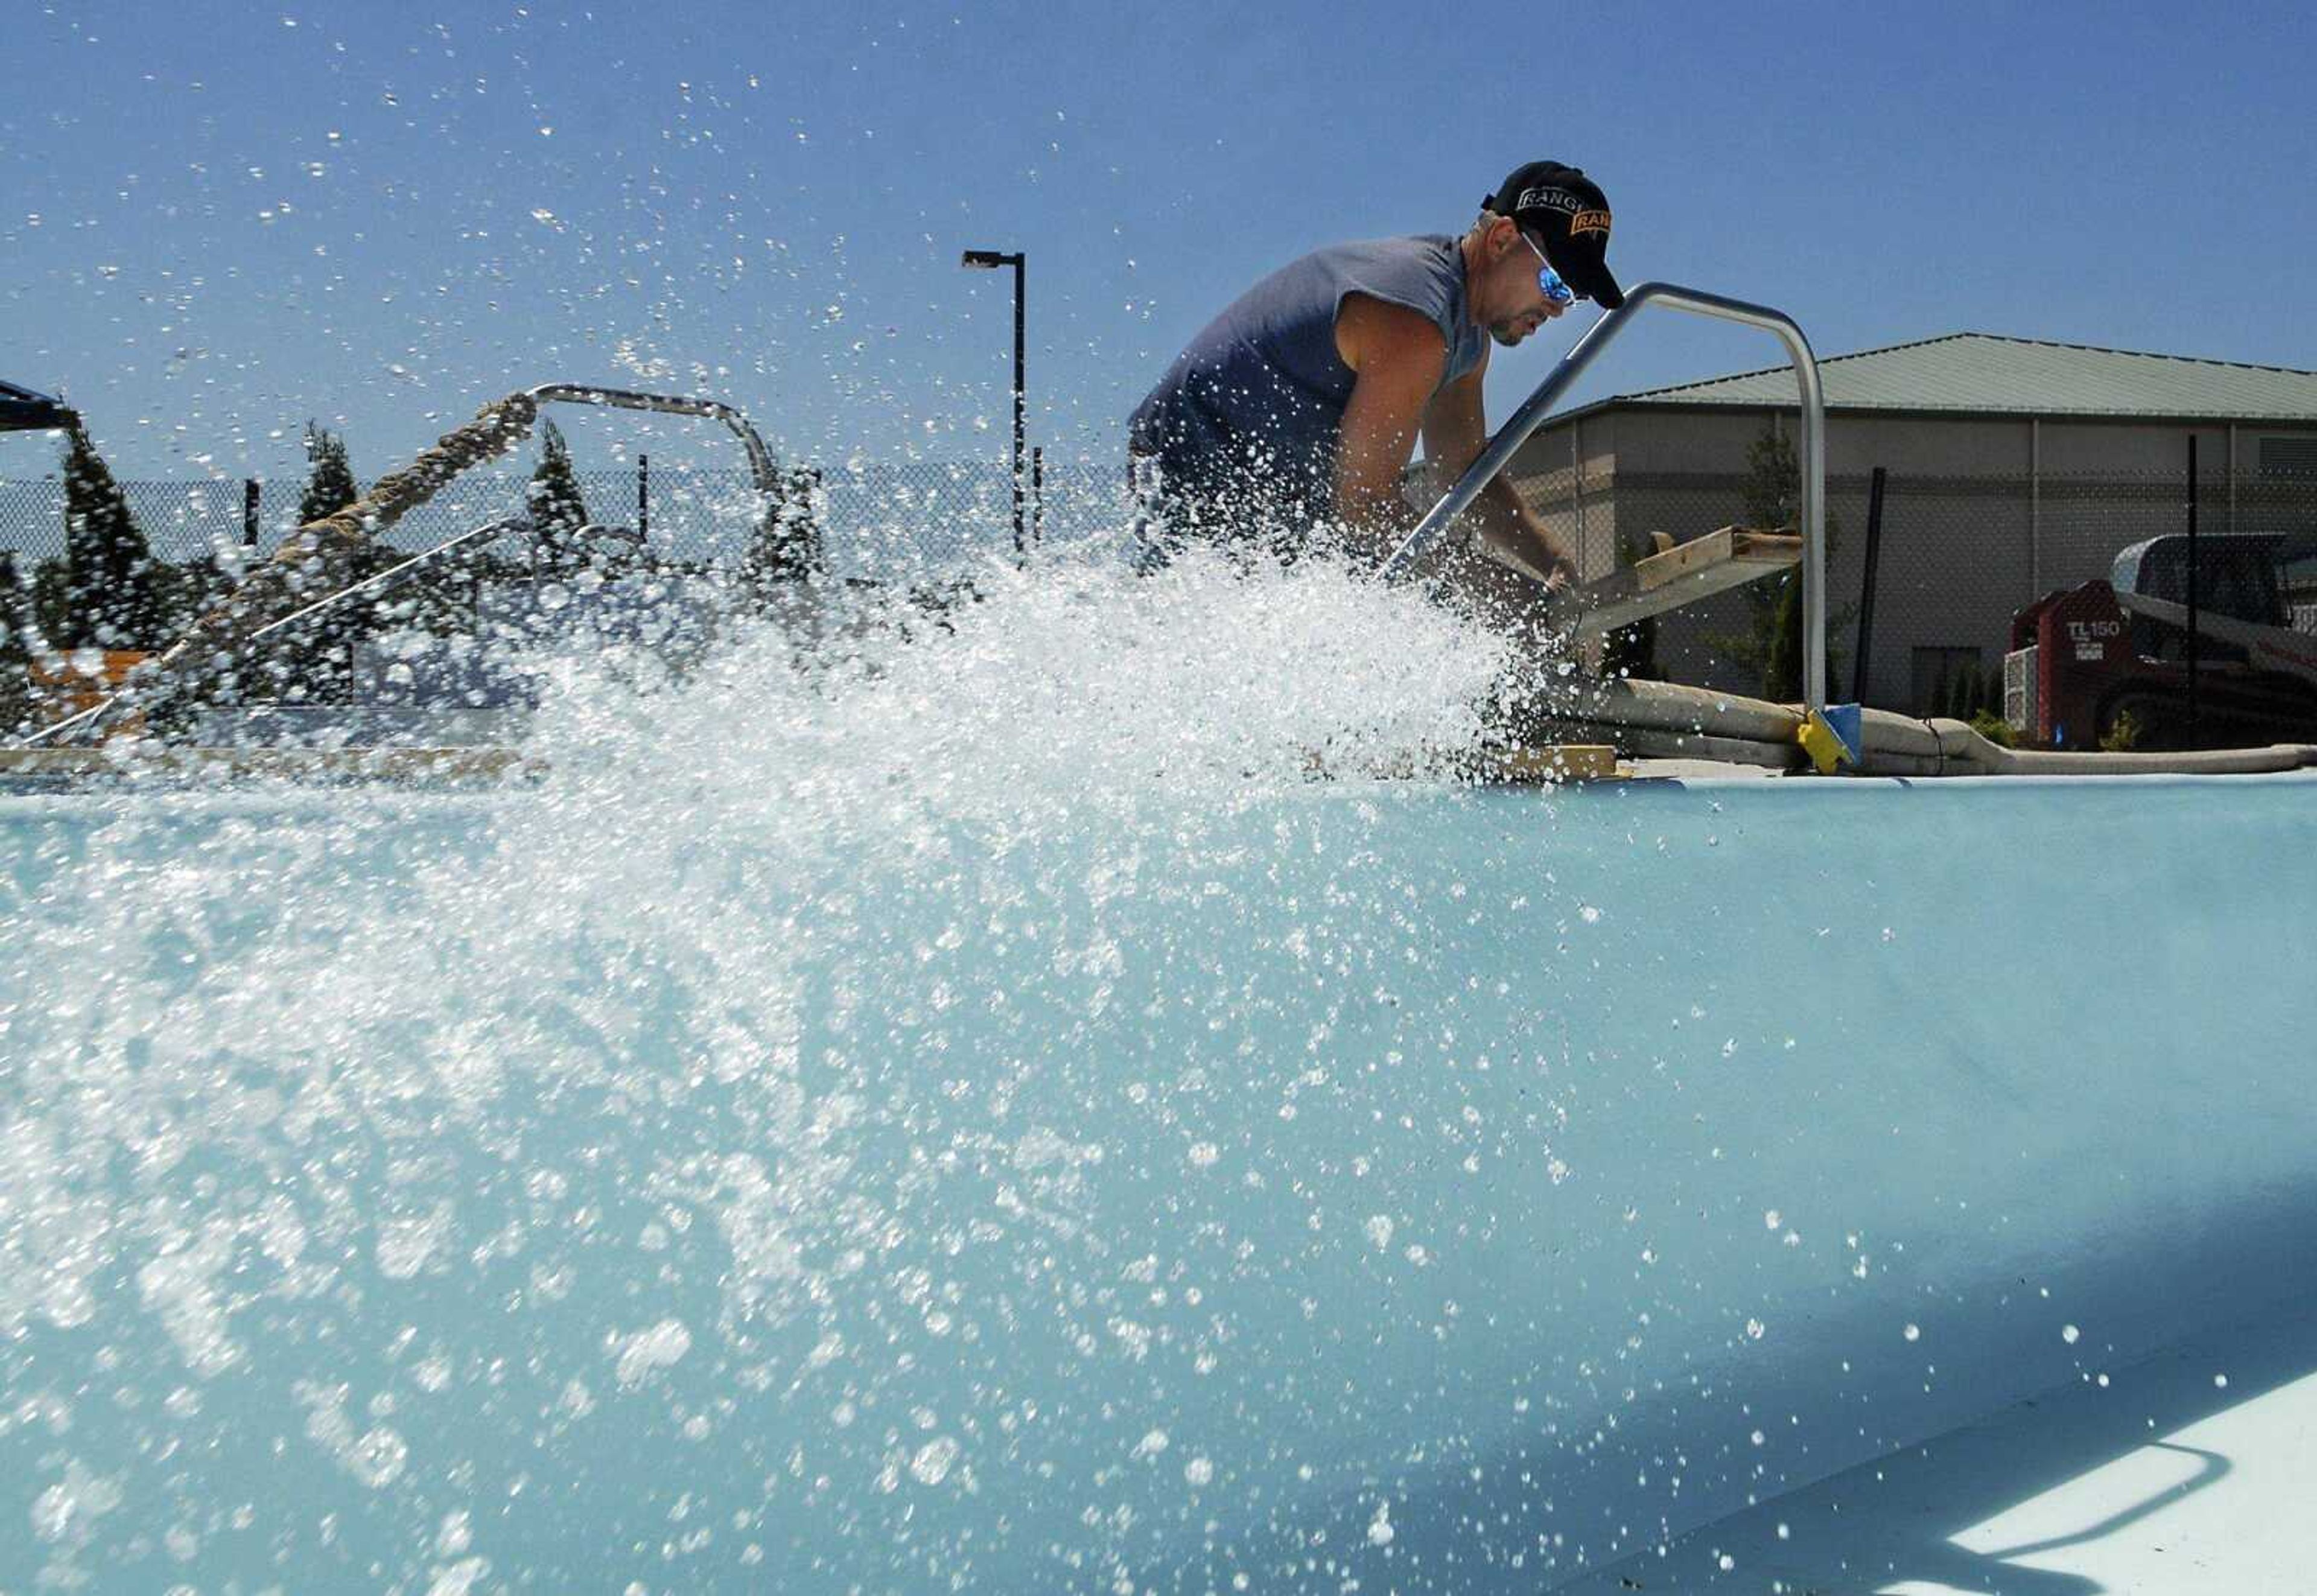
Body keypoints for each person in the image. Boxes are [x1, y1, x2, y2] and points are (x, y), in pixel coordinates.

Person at [1127, 161, 1623, 609]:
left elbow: (1462, 473)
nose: (1559, 308)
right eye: (1557, 285)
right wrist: (1504, 593)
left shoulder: (1466, 335)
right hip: (1191, 456)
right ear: (1501, 241)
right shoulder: (1414, 321)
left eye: (1574, 297)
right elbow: (1363, 504)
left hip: (1268, 480)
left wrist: (1553, 563)